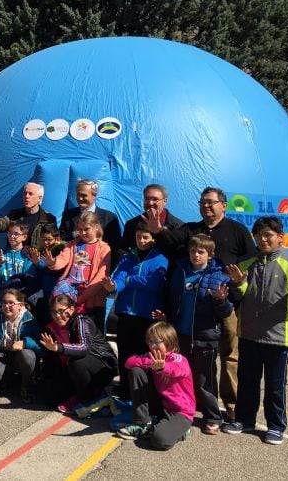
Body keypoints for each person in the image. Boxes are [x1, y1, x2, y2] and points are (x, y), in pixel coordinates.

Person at [147, 186, 255, 422]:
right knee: (189, 357)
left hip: (225, 303)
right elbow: (169, 243)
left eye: (211, 202)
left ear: (223, 205)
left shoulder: (237, 231)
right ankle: (190, 399)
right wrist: (158, 231)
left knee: (229, 356)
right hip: (193, 308)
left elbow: (251, 259)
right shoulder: (191, 230)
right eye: (203, 202)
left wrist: (238, 280)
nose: (206, 206)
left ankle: (231, 403)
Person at [222, 216, 288, 444]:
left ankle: (276, 426)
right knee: (247, 382)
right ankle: (244, 420)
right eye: (259, 235)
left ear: (280, 238)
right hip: (249, 335)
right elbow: (240, 295)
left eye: (268, 235)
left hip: (279, 338)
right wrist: (236, 283)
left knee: (275, 386)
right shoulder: (246, 263)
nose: (263, 240)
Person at [153, 234, 231, 434]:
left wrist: (221, 301)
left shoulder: (219, 276)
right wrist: (166, 314)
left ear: (210, 255)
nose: (196, 255)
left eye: (201, 252)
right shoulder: (179, 271)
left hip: (205, 337)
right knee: (180, 376)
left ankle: (213, 416)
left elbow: (225, 312)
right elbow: (171, 299)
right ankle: (182, 409)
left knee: (205, 380)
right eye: (193, 251)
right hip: (181, 336)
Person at [104, 220, 167, 400]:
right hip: (126, 313)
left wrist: (130, 281)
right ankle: (125, 389)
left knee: (143, 355)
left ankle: (142, 391)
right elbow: (119, 278)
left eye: (146, 237)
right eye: (139, 237)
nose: (142, 240)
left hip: (146, 315)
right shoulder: (127, 257)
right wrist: (114, 286)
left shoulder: (160, 259)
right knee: (125, 353)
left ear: (153, 239)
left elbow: (153, 283)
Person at [117, 322, 195, 451]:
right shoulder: (151, 357)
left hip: (180, 411)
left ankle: (181, 430)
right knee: (136, 371)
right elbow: (129, 362)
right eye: (150, 342)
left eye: (156, 342)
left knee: (160, 440)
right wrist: (151, 363)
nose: (152, 346)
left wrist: (162, 367)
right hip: (160, 404)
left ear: (169, 342)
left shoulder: (179, 359)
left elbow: (178, 369)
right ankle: (142, 423)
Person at [39, 292, 117, 413]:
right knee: (51, 399)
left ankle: (88, 397)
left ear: (71, 309)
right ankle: (79, 393)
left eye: (61, 311)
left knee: (77, 363)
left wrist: (58, 348)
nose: (57, 316)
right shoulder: (50, 328)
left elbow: (83, 348)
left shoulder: (82, 321)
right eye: (54, 312)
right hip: (71, 370)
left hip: (102, 365)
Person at [47, 211, 112, 332]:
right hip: (71, 294)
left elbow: (100, 277)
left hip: (92, 299)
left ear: (96, 227)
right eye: (79, 229)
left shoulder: (104, 248)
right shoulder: (72, 245)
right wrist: (52, 262)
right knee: (70, 331)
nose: (82, 233)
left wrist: (80, 298)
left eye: (86, 229)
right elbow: (62, 259)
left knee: (91, 334)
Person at [0, 288, 41, 403]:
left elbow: (42, 347)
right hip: (2, 352)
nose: (6, 306)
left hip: (20, 355)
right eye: (3, 302)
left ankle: (25, 386)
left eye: (11, 303)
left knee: (27, 355)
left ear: (20, 305)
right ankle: (6, 378)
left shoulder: (30, 321)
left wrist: (25, 343)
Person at [0, 182, 57, 249]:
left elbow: (51, 242)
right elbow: (3, 224)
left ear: (40, 198)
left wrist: (36, 253)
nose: (26, 196)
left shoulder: (48, 219)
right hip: (15, 257)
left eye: (30, 194)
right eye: (25, 193)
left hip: (35, 259)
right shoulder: (15, 214)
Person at [119, 184, 183, 254]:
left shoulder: (178, 227)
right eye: (147, 199)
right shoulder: (132, 224)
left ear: (165, 201)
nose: (150, 203)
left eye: (155, 199)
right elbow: (124, 249)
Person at [59, 179, 121, 247]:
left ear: (94, 195)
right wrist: (75, 234)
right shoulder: (68, 215)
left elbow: (116, 245)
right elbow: (61, 239)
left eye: (84, 195)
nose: (80, 198)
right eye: (78, 194)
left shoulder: (110, 218)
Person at [0, 220, 38, 306]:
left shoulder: (27, 255)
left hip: (21, 295)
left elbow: (30, 276)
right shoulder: (2, 253)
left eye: (16, 234)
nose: (12, 236)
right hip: (4, 294)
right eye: (9, 233)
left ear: (24, 237)